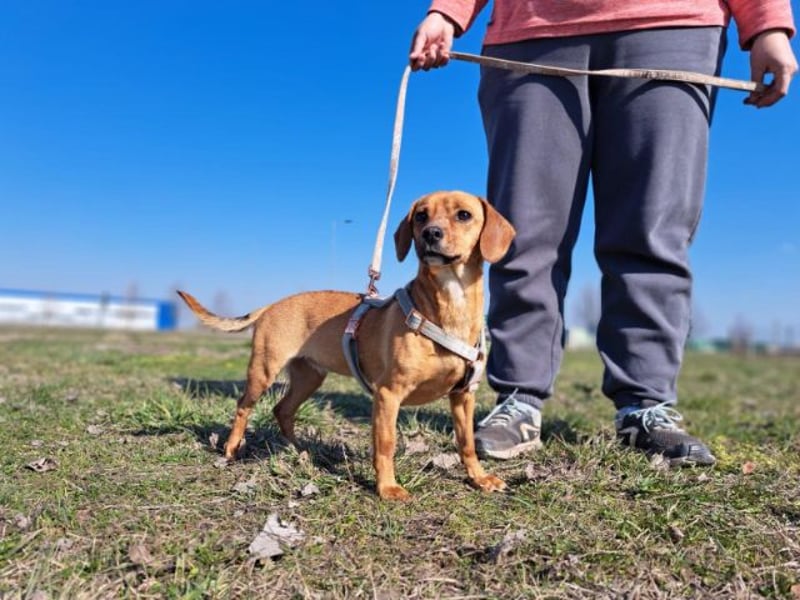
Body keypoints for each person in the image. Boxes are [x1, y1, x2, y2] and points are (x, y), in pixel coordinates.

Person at [409, 2, 797, 464]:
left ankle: (645, 404)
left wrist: (767, 22)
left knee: (651, 228)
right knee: (522, 234)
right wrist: (447, 11)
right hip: (533, 33)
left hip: (671, 27)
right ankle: (518, 399)